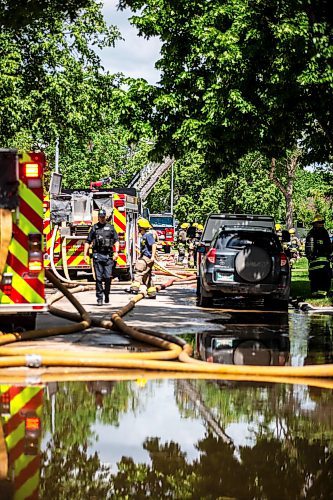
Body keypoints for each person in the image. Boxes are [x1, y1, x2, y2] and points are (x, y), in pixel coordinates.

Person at [84, 208, 119, 306]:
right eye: (100, 217)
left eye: (103, 217)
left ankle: (106, 293)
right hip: (97, 255)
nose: (102, 218)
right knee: (98, 279)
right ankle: (99, 298)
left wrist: (116, 252)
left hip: (108, 256)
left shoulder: (111, 228)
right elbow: (88, 241)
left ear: (105, 217)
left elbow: (116, 240)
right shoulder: (94, 228)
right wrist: (85, 254)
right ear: (98, 217)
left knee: (107, 277)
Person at [305, 215, 332, 297]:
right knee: (324, 279)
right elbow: (328, 246)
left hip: (313, 263)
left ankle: (315, 293)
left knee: (315, 279)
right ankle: (322, 294)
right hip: (323, 263)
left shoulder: (310, 233)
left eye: (322, 223)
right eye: (320, 223)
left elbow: (308, 249)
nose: (321, 224)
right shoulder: (324, 232)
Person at [130, 218, 157, 298]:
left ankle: (134, 288)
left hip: (146, 258)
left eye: (138, 226)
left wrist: (152, 256)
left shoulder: (148, 235)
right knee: (147, 275)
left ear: (141, 227)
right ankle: (152, 292)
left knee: (138, 271)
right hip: (146, 256)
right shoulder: (144, 235)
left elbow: (154, 245)